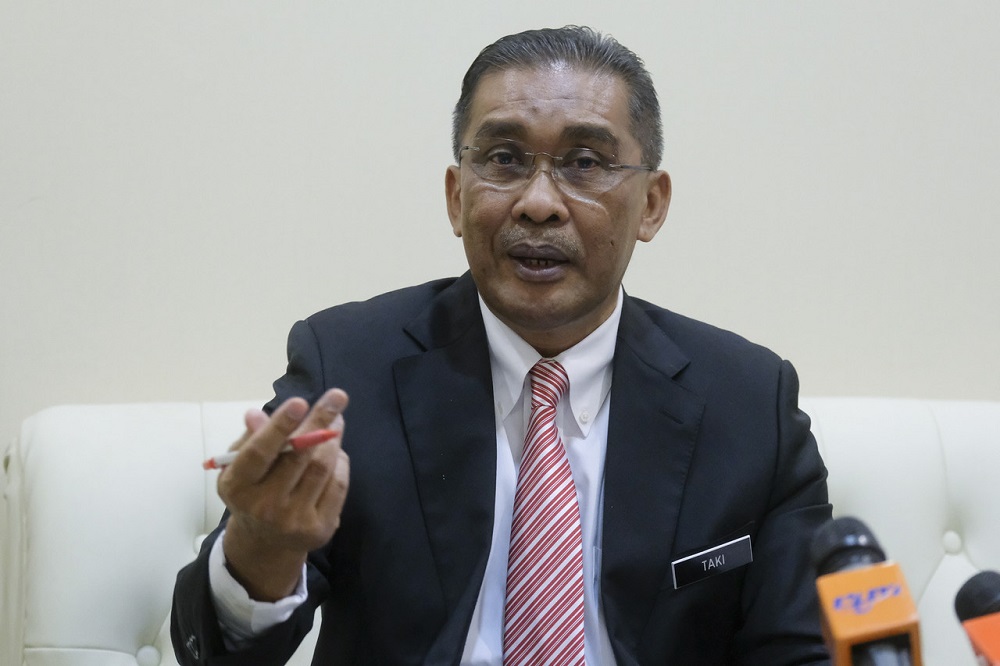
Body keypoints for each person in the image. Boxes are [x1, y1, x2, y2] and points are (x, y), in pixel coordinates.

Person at [172, 25, 832, 665]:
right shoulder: (349, 366)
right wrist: (263, 546)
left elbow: (801, 648)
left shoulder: (750, 404)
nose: (538, 203)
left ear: (652, 204)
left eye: (584, 163)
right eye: (505, 160)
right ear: (456, 196)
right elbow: (220, 650)